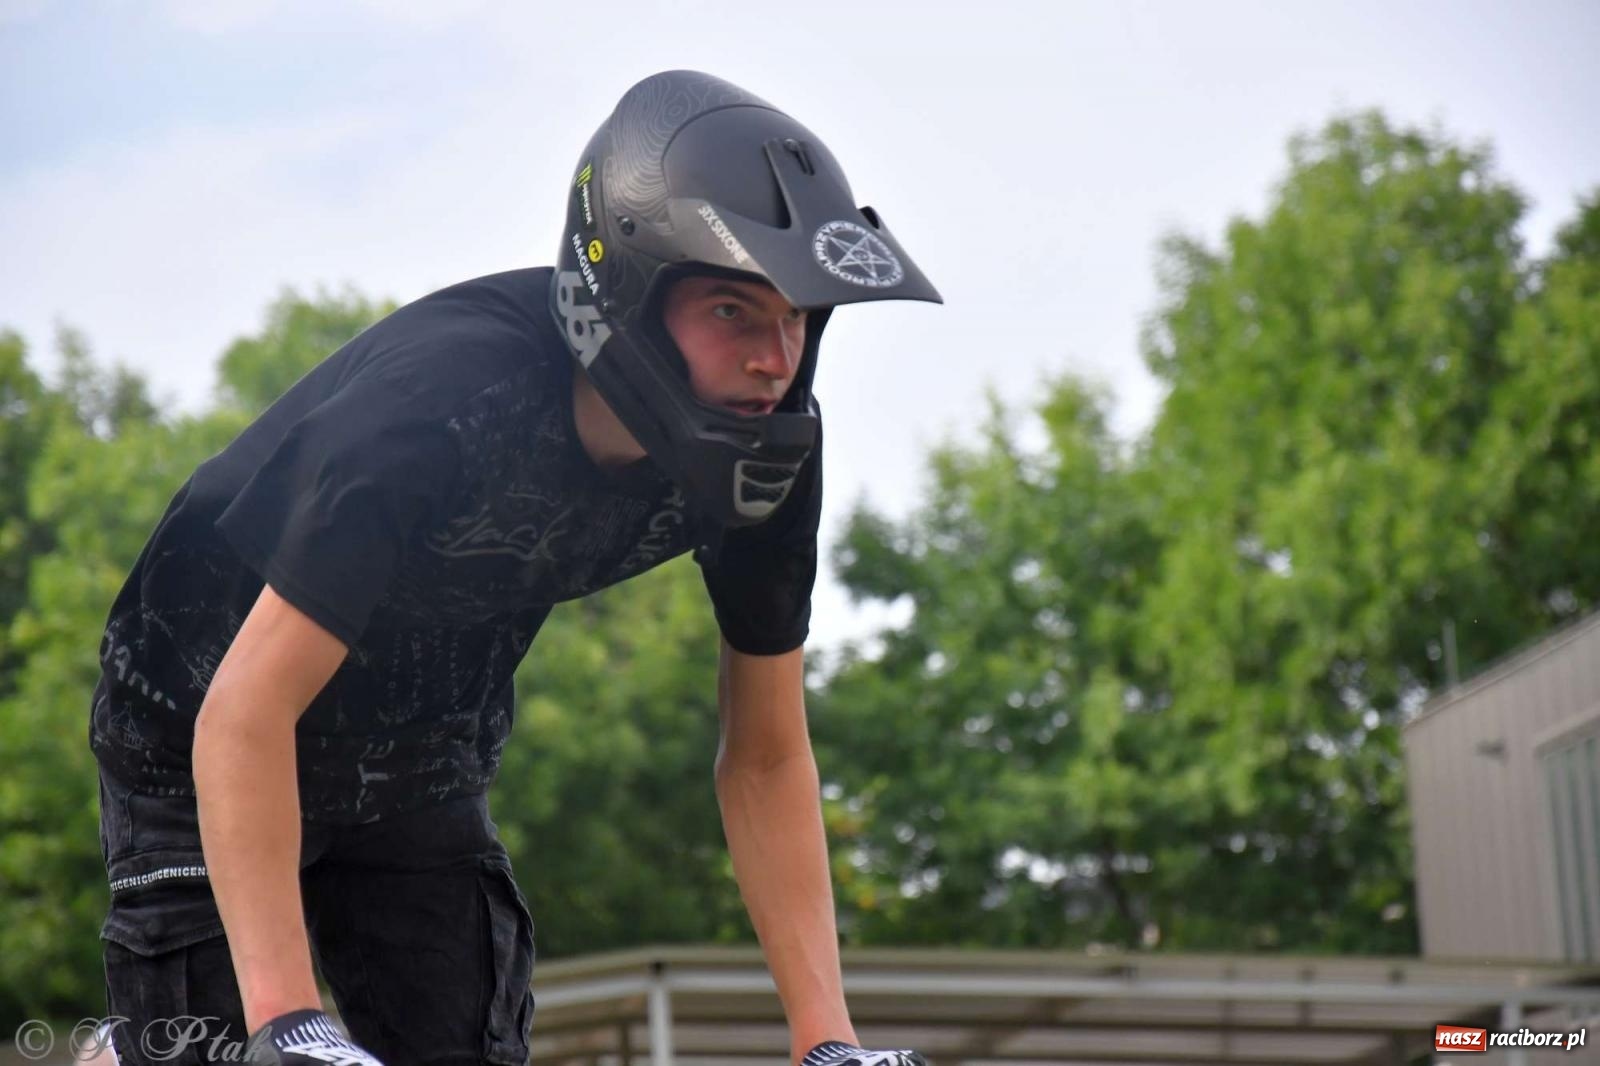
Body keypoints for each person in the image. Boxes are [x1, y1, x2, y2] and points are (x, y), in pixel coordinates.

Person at [90, 69, 940, 1066]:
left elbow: (766, 757)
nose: (774, 359)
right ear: (627, 294)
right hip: (200, 717)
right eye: (731, 311)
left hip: (421, 746)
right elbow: (247, 709)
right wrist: (286, 1025)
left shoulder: (765, 454)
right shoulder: (434, 405)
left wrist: (827, 1043)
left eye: (795, 317)